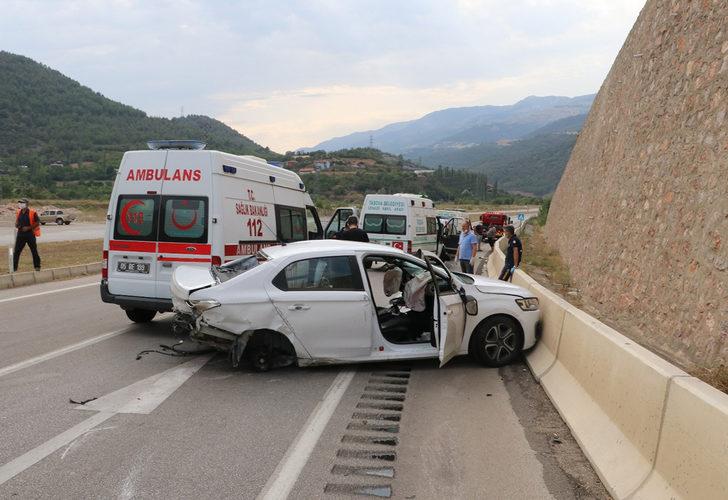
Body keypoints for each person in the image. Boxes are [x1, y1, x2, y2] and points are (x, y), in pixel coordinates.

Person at [13, 198, 41, 272]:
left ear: (26, 204)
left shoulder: (32, 212)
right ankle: (14, 268)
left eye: (22, 203)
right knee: (16, 251)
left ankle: (37, 266)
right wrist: (17, 225)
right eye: (19, 203)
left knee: (34, 250)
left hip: (30, 234)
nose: (20, 204)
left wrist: (29, 228)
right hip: (20, 234)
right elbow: (17, 221)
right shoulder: (18, 212)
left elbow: (37, 222)